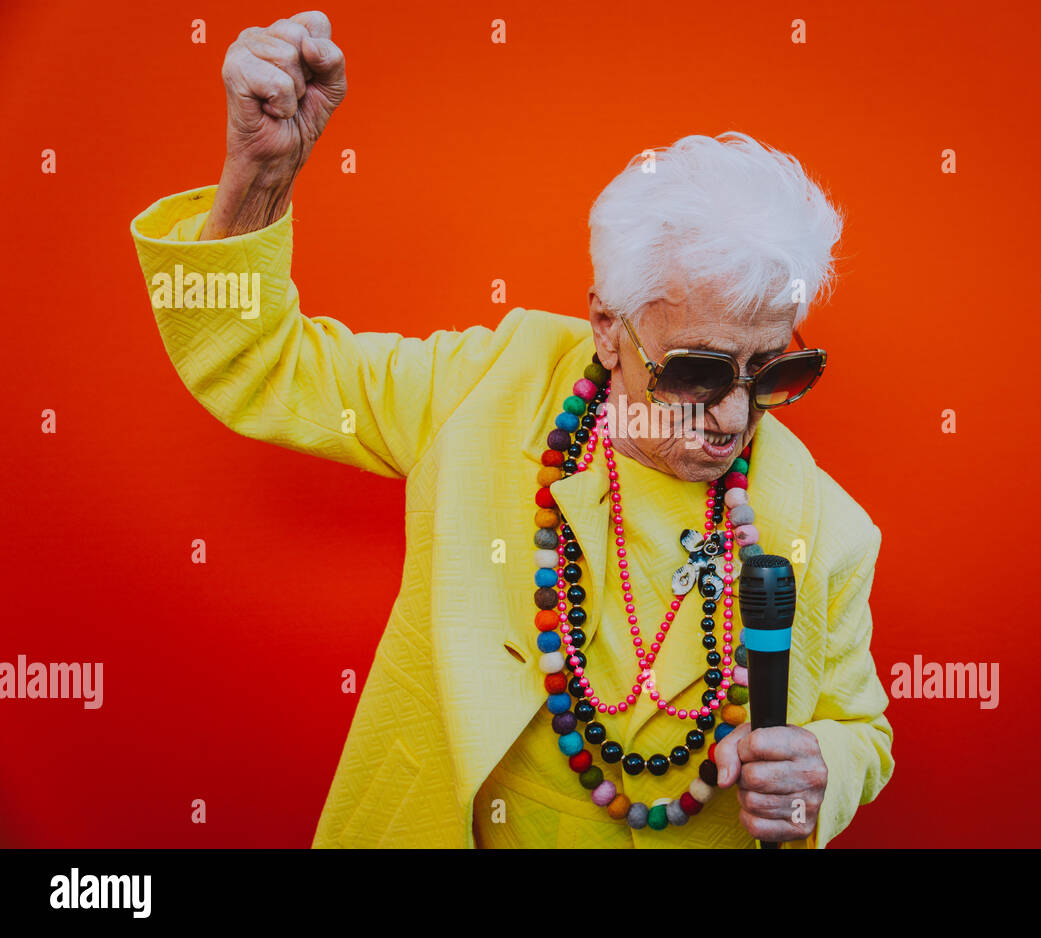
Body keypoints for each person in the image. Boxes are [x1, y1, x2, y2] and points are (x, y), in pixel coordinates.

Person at [130, 10, 894, 848]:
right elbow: (260, 362)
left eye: (774, 373)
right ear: (608, 327)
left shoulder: (830, 531)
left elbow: (863, 730)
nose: (735, 416)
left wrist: (825, 769)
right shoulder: (487, 385)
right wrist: (258, 179)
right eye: (698, 371)